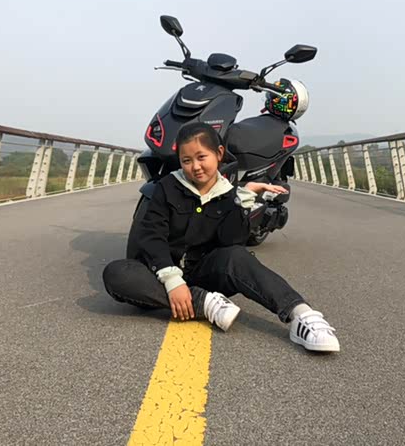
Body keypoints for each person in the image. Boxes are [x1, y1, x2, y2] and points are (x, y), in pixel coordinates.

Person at [102, 122, 340, 352]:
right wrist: (173, 281)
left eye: (201, 157)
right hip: (162, 276)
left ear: (218, 154)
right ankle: (202, 303)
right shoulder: (167, 187)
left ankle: (302, 315)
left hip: (204, 273)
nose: (195, 167)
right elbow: (151, 235)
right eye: (186, 160)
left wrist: (243, 200)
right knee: (117, 273)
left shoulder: (229, 194)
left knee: (237, 257)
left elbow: (231, 242)